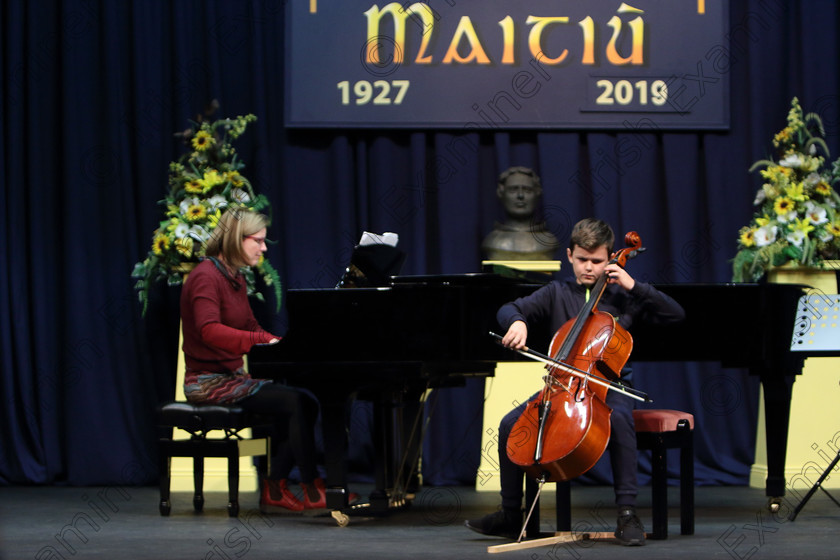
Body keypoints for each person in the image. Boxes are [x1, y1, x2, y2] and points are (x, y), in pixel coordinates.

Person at [466, 218, 685, 546]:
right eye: (582, 259)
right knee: (509, 424)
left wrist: (632, 284)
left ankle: (627, 513)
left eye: (597, 261)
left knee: (621, 418)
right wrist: (517, 323)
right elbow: (509, 308)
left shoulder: (625, 298)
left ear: (610, 258)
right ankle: (511, 514)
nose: (589, 268)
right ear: (570, 255)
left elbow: (676, 314)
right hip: (562, 387)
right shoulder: (556, 292)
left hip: (611, 388)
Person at [180, 206, 325, 513]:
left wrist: (281, 344)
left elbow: (250, 327)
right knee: (295, 403)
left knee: (307, 402)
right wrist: (260, 340)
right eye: (257, 240)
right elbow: (209, 331)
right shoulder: (206, 276)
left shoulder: (235, 278)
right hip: (206, 382)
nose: (262, 248)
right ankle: (312, 487)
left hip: (231, 379)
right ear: (235, 239)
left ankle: (276, 486)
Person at [481, 167, 560, 261]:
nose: (520, 195)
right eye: (513, 190)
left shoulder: (548, 241)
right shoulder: (492, 241)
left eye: (527, 190)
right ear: (501, 193)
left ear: (537, 194)